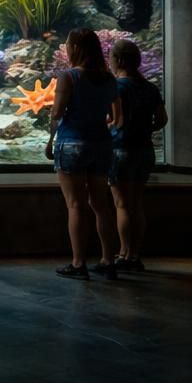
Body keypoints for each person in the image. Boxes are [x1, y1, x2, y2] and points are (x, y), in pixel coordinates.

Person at [47, 29, 123, 280]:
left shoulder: (68, 77)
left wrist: (50, 138)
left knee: (76, 205)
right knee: (101, 205)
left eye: (68, 44)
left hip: (72, 143)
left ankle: (78, 263)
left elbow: (57, 113)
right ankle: (108, 260)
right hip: (101, 145)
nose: (66, 47)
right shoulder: (109, 78)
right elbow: (115, 117)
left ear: (76, 47)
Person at [108, 39, 166, 271]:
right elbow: (162, 119)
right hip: (145, 150)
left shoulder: (116, 87)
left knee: (122, 204)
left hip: (120, 149)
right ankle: (135, 254)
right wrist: (145, 129)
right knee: (136, 203)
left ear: (118, 60)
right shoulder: (150, 88)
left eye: (111, 58)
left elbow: (113, 119)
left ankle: (124, 254)